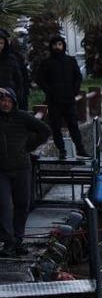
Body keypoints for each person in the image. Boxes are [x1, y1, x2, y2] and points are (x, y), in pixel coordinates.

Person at [0, 86, 50, 256]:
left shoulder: (22, 117)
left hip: (22, 167)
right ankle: (8, 242)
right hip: (2, 171)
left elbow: (44, 130)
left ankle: (18, 240)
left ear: (13, 102)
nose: (5, 104)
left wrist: (29, 147)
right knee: (4, 206)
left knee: (22, 204)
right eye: (2, 101)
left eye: (8, 101)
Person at [34, 35, 86, 160]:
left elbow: (78, 77)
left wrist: (74, 90)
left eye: (59, 44)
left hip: (69, 100)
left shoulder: (70, 61)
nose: (57, 47)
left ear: (63, 46)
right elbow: (39, 78)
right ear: (51, 47)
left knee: (73, 125)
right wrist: (49, 91)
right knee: (56, 127)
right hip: (54, 101)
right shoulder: (46, 63)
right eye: (55, 45)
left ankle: (81, 149)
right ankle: (62, 150)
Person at [0, 29, 30, 109]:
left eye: (1, 43)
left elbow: (19, 79)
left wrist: (18, 95)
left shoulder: (12, 58)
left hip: (9, 97)